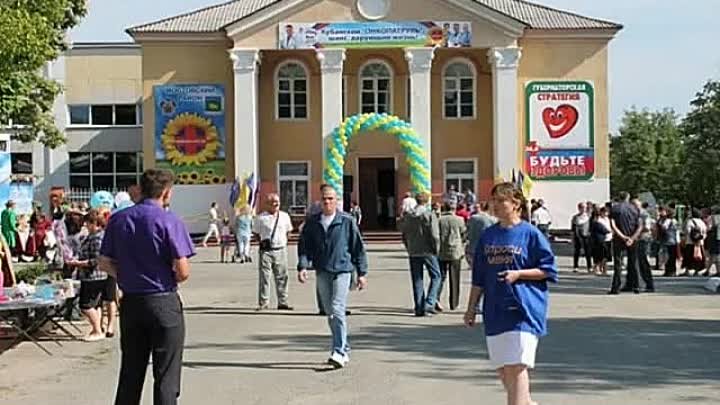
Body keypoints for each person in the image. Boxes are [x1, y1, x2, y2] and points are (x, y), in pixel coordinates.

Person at [99, 169, 195, 405]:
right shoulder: (169, 220)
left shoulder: (119, 219)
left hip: (132, 301)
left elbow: (103, 262)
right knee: (166, 375)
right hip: (163, 300)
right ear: (166, 192)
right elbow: (183, 271)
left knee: (131, 371)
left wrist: (126, 275)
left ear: (140, 189)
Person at [463, 182, 557, 405]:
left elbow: (548, 270)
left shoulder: (531, 234)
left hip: (522, 310)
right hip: (495, 311)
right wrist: (470, 308)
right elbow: (479, 277)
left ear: (515, 204)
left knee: (516, 367)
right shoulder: (488, 235)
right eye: (493, 200)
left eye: (500, 201)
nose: (494, 205)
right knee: (504, 370)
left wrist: (519, 274)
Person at [297, 184, 368, 368]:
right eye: (324, 199)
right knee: (330, 313)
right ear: (320, 201)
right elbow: (304, 246)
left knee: (337, 309)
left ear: (337, 201)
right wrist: (303, 266)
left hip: (342, 270)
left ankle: (338, 351)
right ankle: (344, 345)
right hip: (322, 270)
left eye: (331, 199)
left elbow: (357, 248)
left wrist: (362, 273)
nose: (327, 202)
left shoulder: (346, 221)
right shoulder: (313, 223)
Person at [67, 209, 107, 342]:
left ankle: (97, 330)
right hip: (92, 275)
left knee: (85, 305)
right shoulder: (92, 236)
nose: (86, 226)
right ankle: (97, 328)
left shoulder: (97, 238)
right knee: (95, 304)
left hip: (93, 276)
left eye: (88, 223)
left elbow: (95, 260)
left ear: (94, 223)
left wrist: (78, 263)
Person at [399, 192, 441, 317]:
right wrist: (436, 249)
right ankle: (429, 302)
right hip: (427, 250)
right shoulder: (429, 215)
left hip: (413, 250)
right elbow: (434, 234)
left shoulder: (409, 216)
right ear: (427, 201)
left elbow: (404, 234)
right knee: (436, 276)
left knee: (417, 279)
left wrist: (408, 247)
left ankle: (419, 307)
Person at [252, 193, 294, 311]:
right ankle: (263, 302)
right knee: (264, 277)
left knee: (282, 277)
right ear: (267, 204)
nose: (275, 204)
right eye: (273, 202)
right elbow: (255, 233)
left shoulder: (285, 216)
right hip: (266, 251)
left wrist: (281, 241)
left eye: (277, 202)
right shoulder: (260, 218)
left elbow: (289, 231)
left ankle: (283, 302)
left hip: (280, 249)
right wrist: (263, 242)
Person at [608, 192, 643, 294]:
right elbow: (640, 226)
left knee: (618, 264)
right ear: (628, 198)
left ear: (619, 197)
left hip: (619, 239)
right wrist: (632, 238)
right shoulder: (635, 209)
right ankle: (635, 286)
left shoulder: (615, 209)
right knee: (633, 263)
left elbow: (613, 225)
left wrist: (623, 237)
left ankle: (616, 287)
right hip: (633, 239)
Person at [437, 202, 466, 311]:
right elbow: (463, 233)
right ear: (453, 209)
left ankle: (436, 299)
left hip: (442, 250)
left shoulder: (439, 220)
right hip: (455, 251)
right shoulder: (460, 220)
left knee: (440, 277)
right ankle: (454, 303)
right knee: (455, 278)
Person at [466, 202, 497, 267]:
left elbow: (468, 230)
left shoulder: (473, 218)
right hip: (488, 248)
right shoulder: (493, 219)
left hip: (473, 247)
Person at [634, 200, 656, 291]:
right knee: (639, 263)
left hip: (644, 239)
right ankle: (643, 283)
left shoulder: (644, 214)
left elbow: (647, 227)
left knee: (643, 262)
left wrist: (635, 232)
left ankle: (649, 284)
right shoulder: (638, 214)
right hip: (639, 239)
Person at [680, 208, 707, 277]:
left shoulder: (690, 221)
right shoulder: (702, 222)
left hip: (690, 242)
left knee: (688, 257)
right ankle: (697, 271)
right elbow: (704, 232)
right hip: (699, 243)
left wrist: (685, 239)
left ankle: (687, 271)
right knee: (698, 257)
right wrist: (700, 239)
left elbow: (687, 231)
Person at [657, 207, 679, 277]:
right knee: (673, 257)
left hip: (668, 240)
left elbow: (664, 227)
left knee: (668, 257)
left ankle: (668, 271)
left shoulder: (668, 220)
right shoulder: (675, 221)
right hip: (674, 240)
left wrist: (660, 224)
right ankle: (673, 271)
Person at [590, 207, 612, 276]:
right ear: (601, 212)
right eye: (604, 212)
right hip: (601, 240)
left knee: (606, 256)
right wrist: (609, 231)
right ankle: (598, 269)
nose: (606, 214)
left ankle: (603, 270)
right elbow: (603, 229)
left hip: (608, 239)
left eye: (607, 212)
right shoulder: (598, 220)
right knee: (600, 256)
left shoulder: (608, 219)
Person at [571, 202, 592, 273]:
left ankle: (589, 266)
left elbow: (591, 227)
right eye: (581, 207)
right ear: (579, 208)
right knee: (577, 251)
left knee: (587, 252)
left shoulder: (588, 217)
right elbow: (573, 228)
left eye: (584, 207)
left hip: (586, 236)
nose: (583, 209)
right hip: (577, 236)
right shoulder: (575, 217)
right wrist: (572, 237)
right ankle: (575, 266)